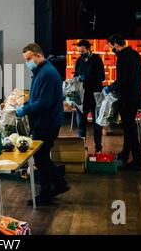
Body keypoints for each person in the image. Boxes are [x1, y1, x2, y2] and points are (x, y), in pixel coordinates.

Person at [16, 43, 70, 205]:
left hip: (47, 123)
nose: (27, 63)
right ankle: (50, 189)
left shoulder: (47, 73)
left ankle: (55, 187)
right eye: (26, 60)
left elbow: (45, 102)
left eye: (29, 59)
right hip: (44, 121)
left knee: (41, 158)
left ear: (38, 56)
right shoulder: (41, 71)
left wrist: (24, 109)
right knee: (42, 157)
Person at [104, 34, 141, 171]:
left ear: (116, 44)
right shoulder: (135, 54)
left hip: (127, 98)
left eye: (111, 47)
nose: (112, 50)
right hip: (136, 96)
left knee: (130, 130)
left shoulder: (122, 57)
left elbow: (123, 80)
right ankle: (124, 155)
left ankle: (137, 161)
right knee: (128, 128)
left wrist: (110, 88)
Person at [74, 40, 105, 152]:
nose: (81, 54)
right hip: (82, 97)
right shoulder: (78, 61)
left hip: (96, 96)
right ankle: (81, 148)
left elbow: (102, 77)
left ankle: (98, 148)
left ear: (89, 49)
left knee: (97, 124)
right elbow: (76, 77)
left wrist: (87, 78)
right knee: (81, 124)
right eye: (79, 52)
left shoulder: (97, 60)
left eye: (83, 51)